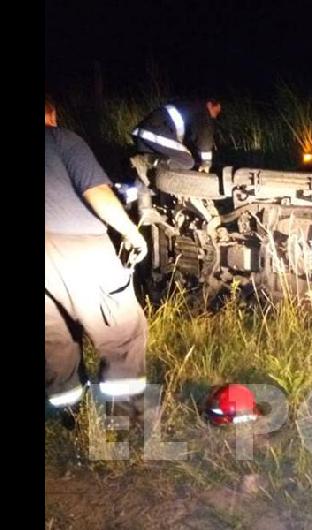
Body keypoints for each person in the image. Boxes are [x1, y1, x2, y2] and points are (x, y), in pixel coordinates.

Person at [45, 95, 149, 425]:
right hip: (77, 244)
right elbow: (96, 191)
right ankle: (123, 415)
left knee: (53, 335)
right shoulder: (61, 138)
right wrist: (131, 233)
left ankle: (67, 413)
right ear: (52, 113)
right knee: (121, 328)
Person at [130, 98, 221, 172]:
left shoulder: (189, 108)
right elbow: (205, 135)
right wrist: (206, 162)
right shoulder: (202, 112)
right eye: (216, 111)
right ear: (209, 105)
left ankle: (146, 186)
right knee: (187, 162)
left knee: (171, 159)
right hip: (153, 133)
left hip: (142, 135)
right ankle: (146, 161)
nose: (215, 116)